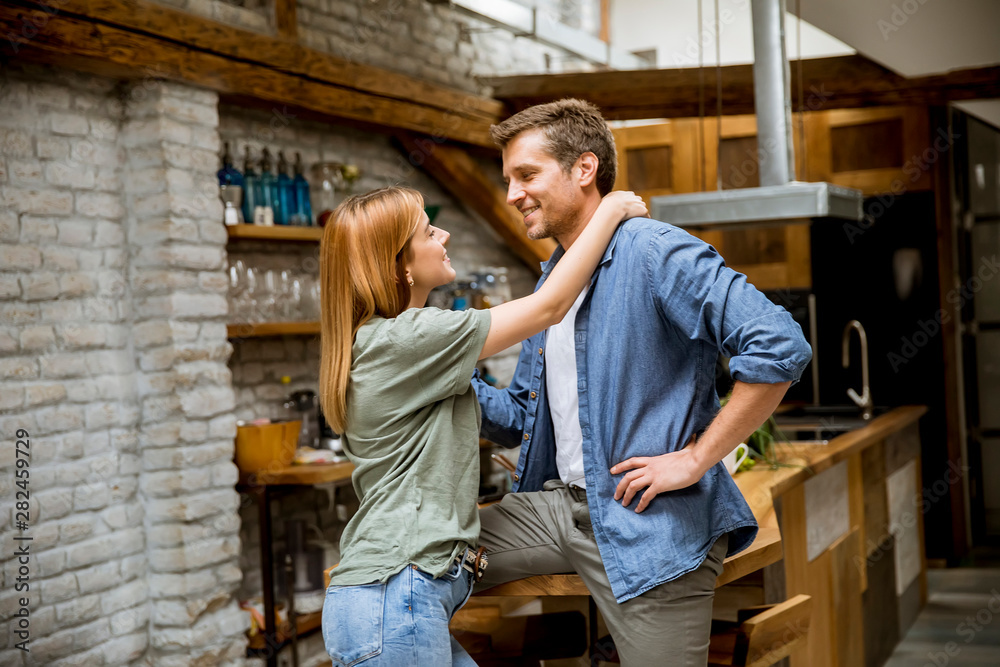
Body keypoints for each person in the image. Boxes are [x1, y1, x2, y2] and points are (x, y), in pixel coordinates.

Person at [472, 99, 813, 665]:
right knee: (414, 561)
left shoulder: (657, 252)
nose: (512, 194)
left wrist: (696, 458)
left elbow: (779, 344)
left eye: (526, 175)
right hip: (555, 510)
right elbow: (518, 421)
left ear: (584, 169)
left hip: (651, 524)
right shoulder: (553, 278)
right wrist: (440, 369)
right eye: (508, 179)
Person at [319, 184, 647, 666]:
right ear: (400, 265)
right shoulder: (409, 337)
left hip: (393, 601)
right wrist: (611, 209)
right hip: (394, 600)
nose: (444, 233)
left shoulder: (385, 341)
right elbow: (549, 307)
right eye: (428, 231)